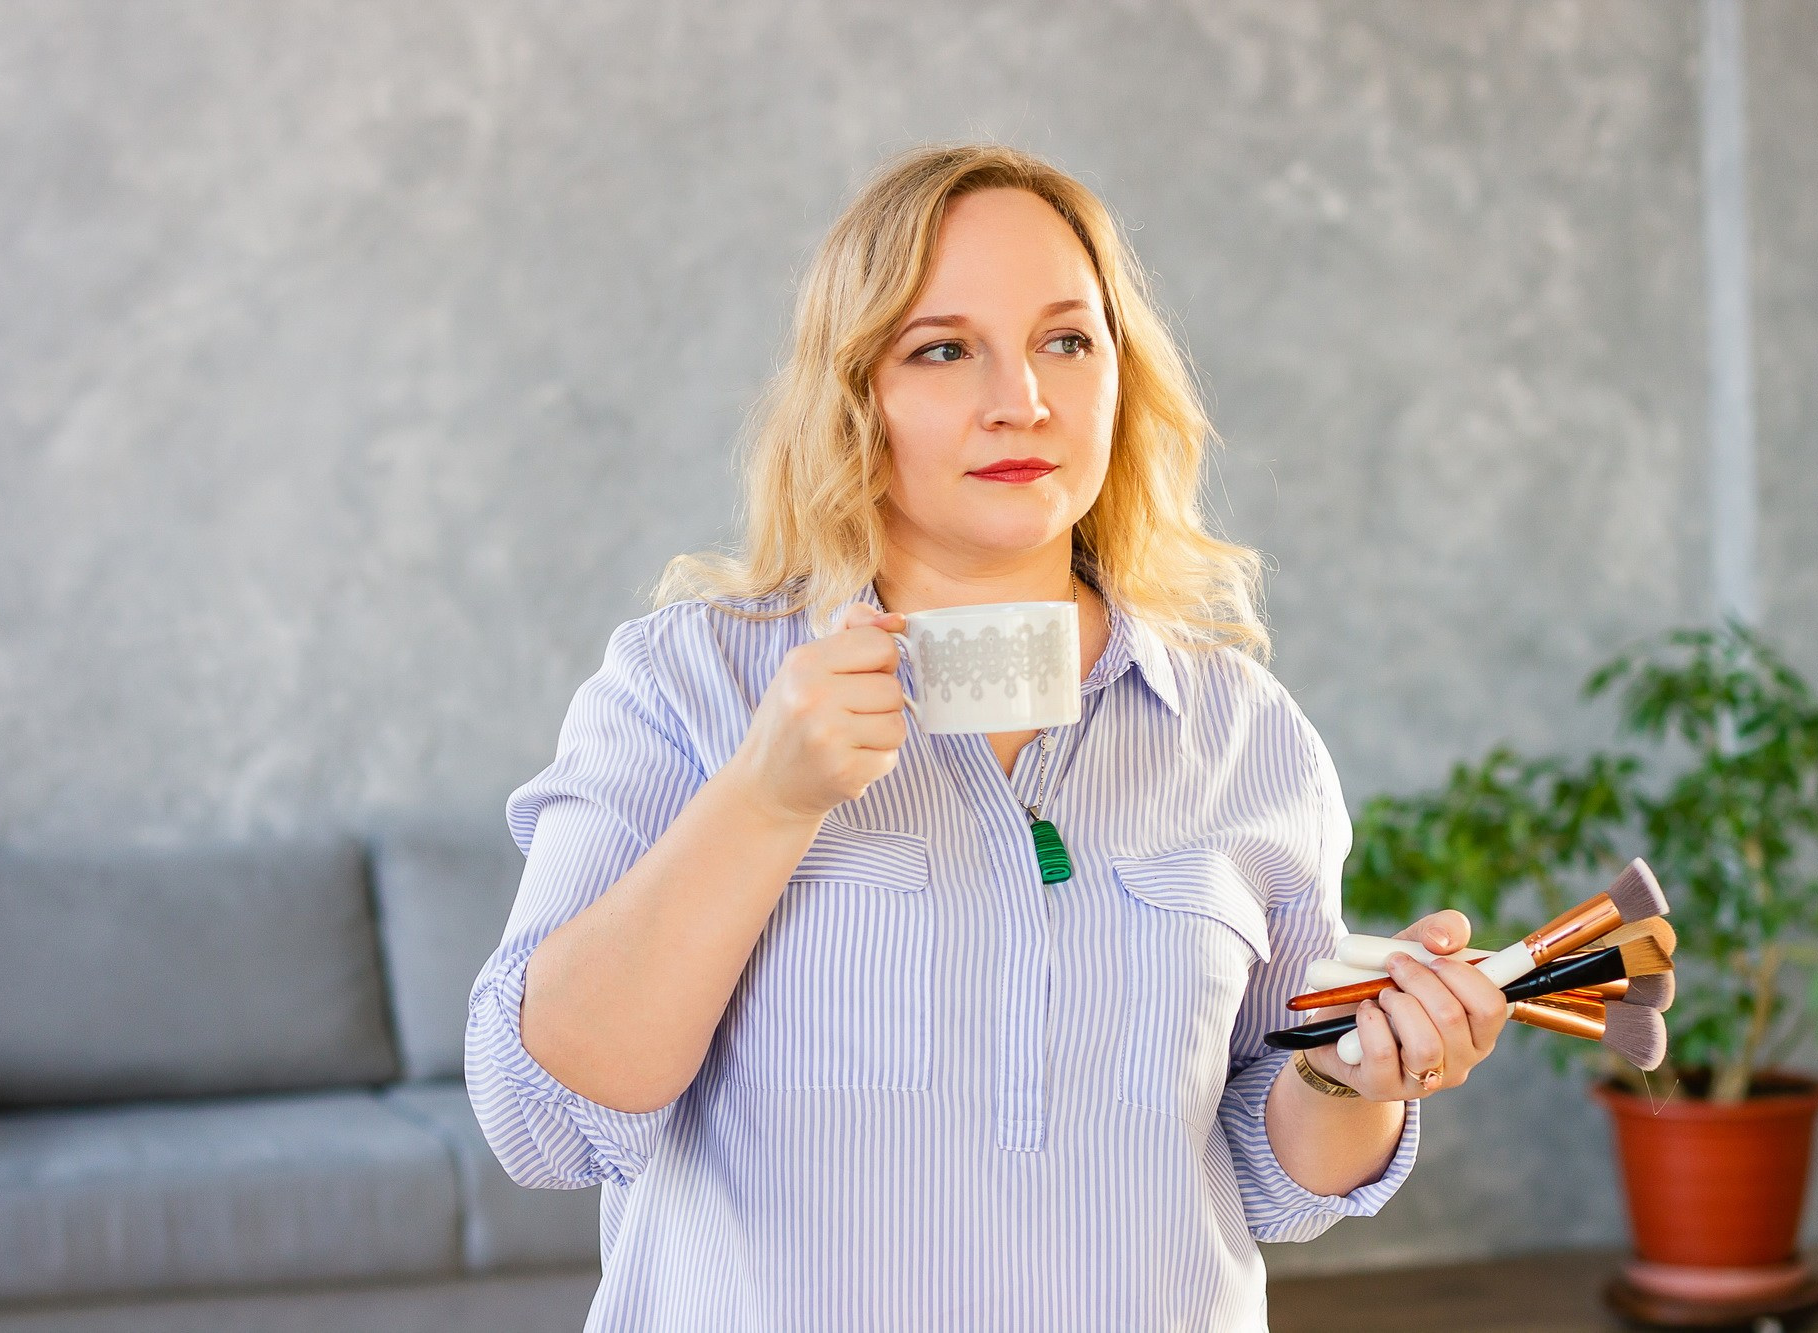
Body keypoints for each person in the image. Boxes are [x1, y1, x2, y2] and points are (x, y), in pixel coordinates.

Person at [467, 142, 1509, 1332]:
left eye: (1067, 340)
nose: (1023, 398)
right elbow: (540, 1118)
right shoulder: (686, 683)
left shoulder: (1241, 731)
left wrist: (1348, 1075)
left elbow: (1270, 1175)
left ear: (1123, 377)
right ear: (855, 392)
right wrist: (764, 799)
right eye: (943, 348)